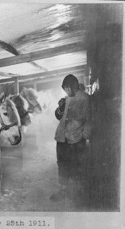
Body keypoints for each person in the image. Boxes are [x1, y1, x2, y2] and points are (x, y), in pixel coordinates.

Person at [50, 74, 91, 202]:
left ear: (75, 87)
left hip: (76, 140)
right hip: (62, 138)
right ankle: (63, 191)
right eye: (64, 89)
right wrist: (60, 108)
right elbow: (58, 116)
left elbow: (90, 120)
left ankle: (78, 193)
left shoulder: (85, 99)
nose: (66, 91)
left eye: (68, 88)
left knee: (77, 166)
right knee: (62, 165)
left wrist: (83, 136)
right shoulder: (66, 99)